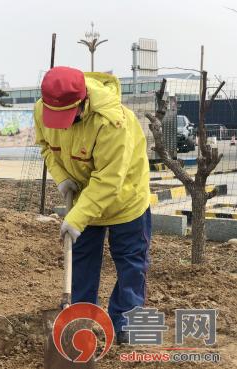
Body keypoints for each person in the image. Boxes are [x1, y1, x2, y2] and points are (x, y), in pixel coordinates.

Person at [34, 66, 151, 345]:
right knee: (81, 260)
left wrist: (77, 218)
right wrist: (62, 178)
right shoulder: (43, 109)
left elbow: (109, 179)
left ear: (82, 101)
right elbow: (46, 146)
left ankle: (125, 321)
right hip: (83, 197)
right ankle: (80, 318)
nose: (60, 123)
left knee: (131, 262)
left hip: (125, 198)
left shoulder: (112, 122)